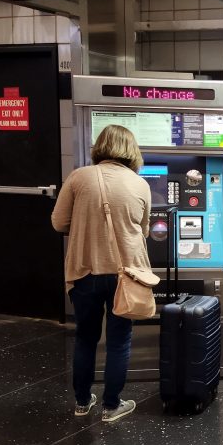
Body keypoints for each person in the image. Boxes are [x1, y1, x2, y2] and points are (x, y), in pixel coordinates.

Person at [51, 125, 151, 423]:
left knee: (86, 338)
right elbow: (143, 231)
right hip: (126, 275)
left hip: (85, 270)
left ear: (99, 147)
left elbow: (58, 222)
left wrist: (86, 224)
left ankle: (82, 402)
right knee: (119, 340)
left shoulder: (79, 177)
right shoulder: (139, 183)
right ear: (132, 150)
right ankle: (111, 405)